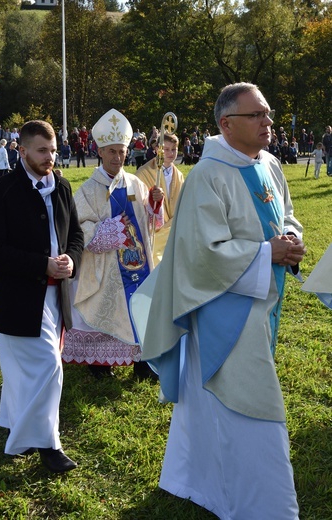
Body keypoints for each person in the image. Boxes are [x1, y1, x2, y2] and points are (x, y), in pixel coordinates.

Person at [131, 83, 306, 520]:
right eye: (258, 116)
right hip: (223, 308)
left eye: (268, 113)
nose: (269, 122)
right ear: (227, 124)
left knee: (212, 403)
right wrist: (269, 252)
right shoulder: (208, 175)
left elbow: (285, 210)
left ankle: (197, 478)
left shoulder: (267, 163)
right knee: (245, 398)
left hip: (264, 299)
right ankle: (266, 503)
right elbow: (202, 253)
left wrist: (292, 237)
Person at [0, 120, 84, 473]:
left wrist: (72, 259)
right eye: (42, 150)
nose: (51, 157)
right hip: (17, 296)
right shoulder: (1, 192)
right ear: (22, 150)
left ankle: (21, 433)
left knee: (27, 370)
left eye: (54, 149)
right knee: (47, 366)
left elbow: (76, 235)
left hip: (57, 297)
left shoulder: (62, 187)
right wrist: (41, 264)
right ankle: (47, 445)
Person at [62, 108, 164, 381]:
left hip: (138, 264)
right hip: (106, 264)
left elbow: (151, 223)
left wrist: (155, 202)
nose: (118, 157)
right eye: (112, 152)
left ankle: (142, 362)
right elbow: (79, 228)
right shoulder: (88, 190)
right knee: (106, 307)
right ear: (100, 151)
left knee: (140, 310)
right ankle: (99, 362)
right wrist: (110, 230)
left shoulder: (135, 183)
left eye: (122, 151)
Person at [136, 133, 184, 265]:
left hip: (174, 231)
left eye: (173, 149)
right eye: (166, 149)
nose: (170, 153)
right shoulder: (144, 173)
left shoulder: (179, 175)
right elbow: (138, 204)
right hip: (154, 233)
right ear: (157, 149)